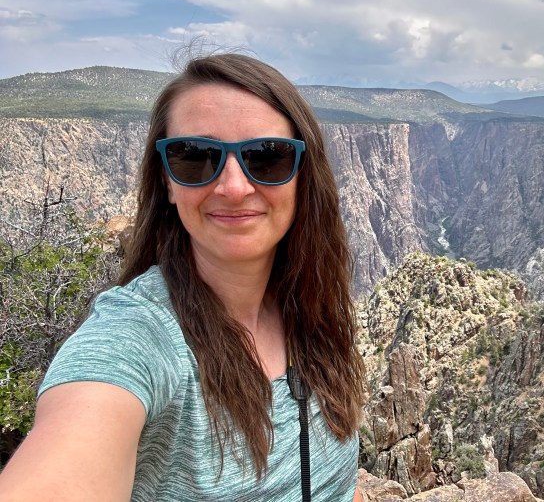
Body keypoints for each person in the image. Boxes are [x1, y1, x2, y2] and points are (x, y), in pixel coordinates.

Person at [0, 53, 366, 501]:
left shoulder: (311, 306)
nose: (234, 187)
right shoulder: (137, 335)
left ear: (302, 176)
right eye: (195, 157)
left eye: (267, 157)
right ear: (168, 181)